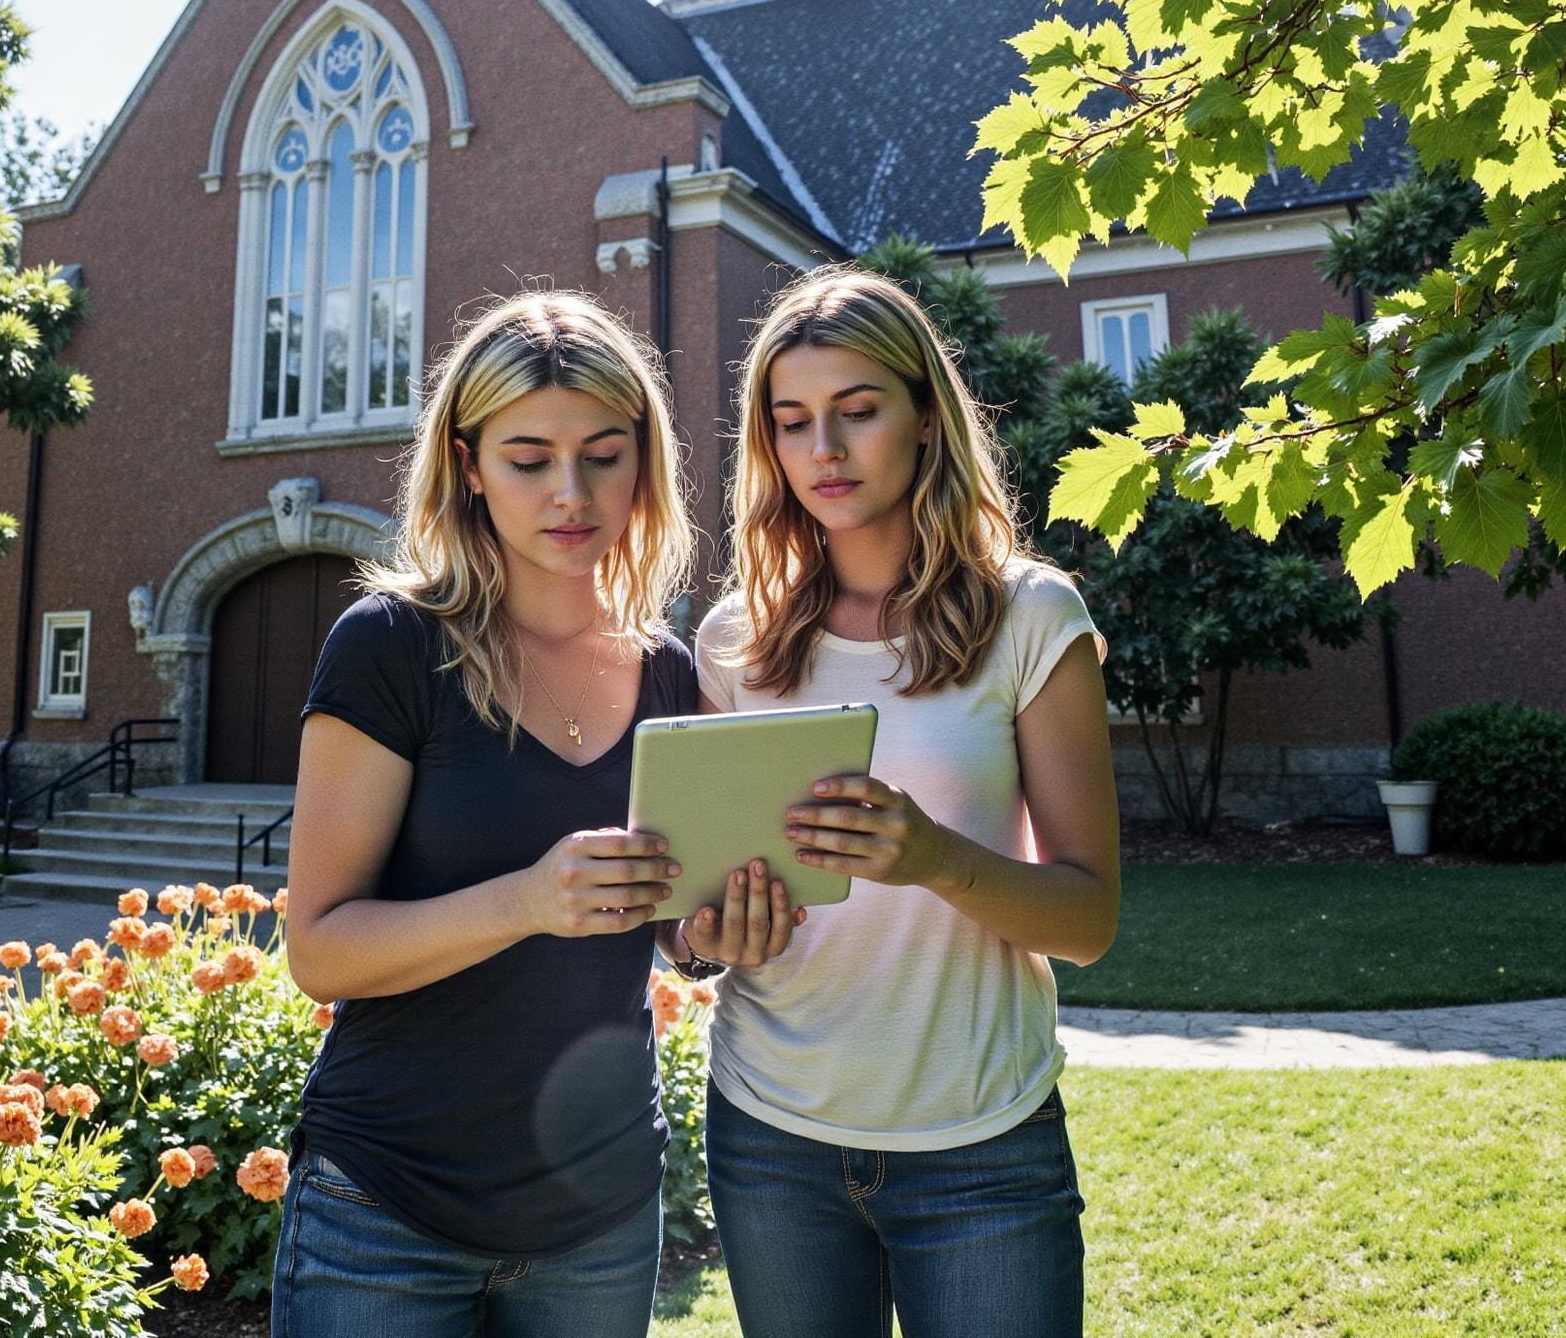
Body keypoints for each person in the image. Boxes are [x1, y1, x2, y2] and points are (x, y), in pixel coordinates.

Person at [275, 291, 791, 1338]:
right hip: (387, 1206)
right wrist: (522, 899)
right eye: (526, 457)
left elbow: (663, 926)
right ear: (466, 463)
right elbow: (320, 949)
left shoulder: (669, 674)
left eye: (604, 453)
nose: (570, 491)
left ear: (642, 458)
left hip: (598, 1219)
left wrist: (706, 936)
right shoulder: (389, 645)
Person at [678, 265, 1120, 1338]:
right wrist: (702, 932)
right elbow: (692, 933)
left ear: (925, 416)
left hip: (981, 1142)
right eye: (791, 422)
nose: (821, 450)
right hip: (769, 1135)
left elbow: (1089, 920)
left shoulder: (1029, 615)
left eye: (856, 411)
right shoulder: (735, 639)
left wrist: (934, 857)